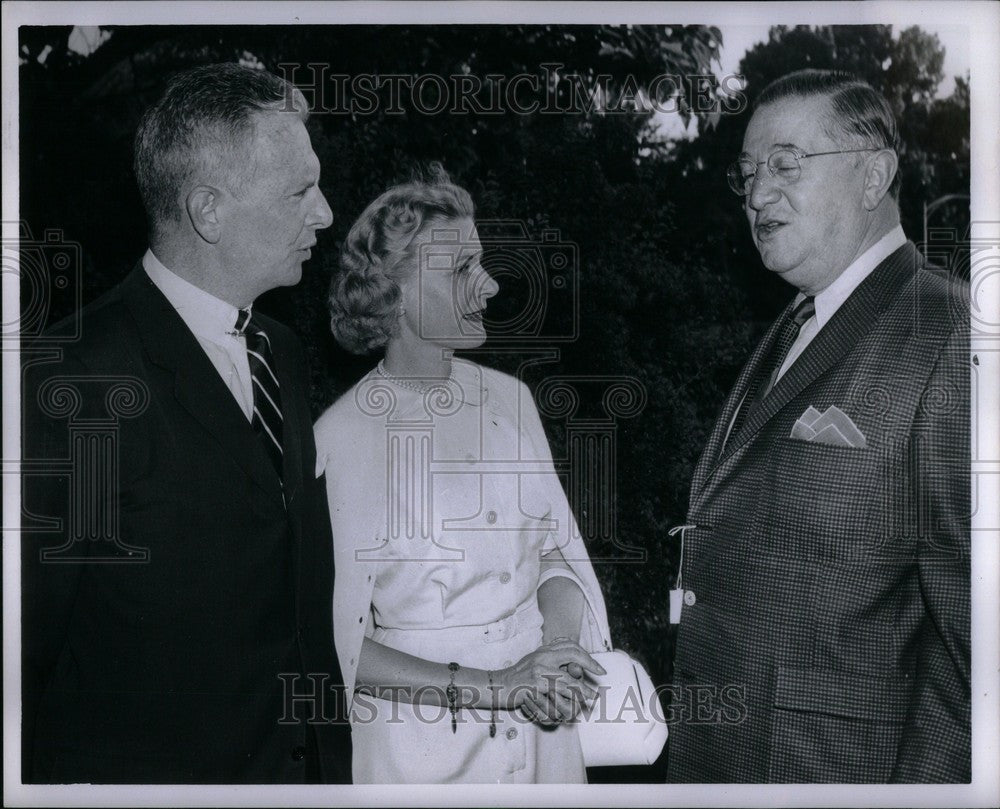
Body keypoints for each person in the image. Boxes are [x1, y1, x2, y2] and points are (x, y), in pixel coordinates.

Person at [20, 63, 351, 783]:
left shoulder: (282, 356)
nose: (324, 213)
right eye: (300, 191)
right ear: (208, 209)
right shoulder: (73, 379)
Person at [665, 69, 970, 783]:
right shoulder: (797, 321)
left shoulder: (951, 334)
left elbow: (974, 655)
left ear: (874, 176)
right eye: (748, 174)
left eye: (786, 164)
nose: (759, 194)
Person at [314, 167, 612, 783]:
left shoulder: (513, 400)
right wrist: (499, 686)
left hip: (543, 743)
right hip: (420, 756)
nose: (491, 286)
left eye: (481, 263)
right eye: (459, 270)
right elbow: (335, 640)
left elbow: (557, 556)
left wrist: (554, 654)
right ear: (391, 292)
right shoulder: (339, 438)